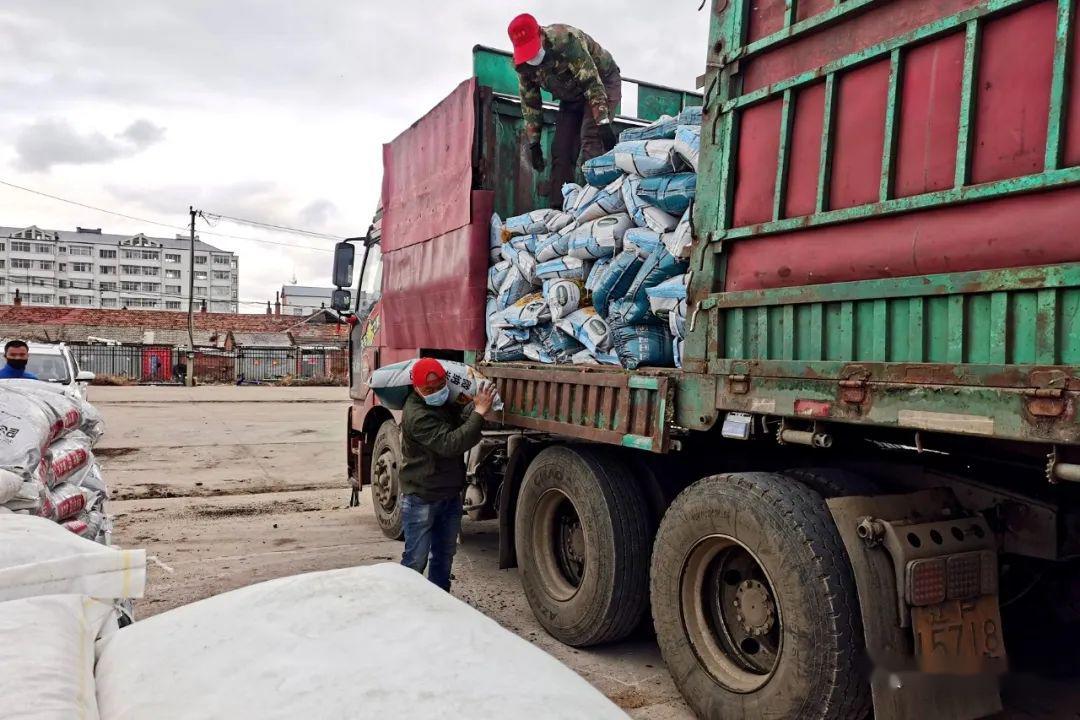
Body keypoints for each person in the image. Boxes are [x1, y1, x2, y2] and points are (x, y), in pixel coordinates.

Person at [399, 358, 496, 591]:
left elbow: (458, 422)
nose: (436, 392)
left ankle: (440, 605)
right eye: (428, 389)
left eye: (440, 385)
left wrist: (472, 407)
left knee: (444, 556)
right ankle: (406, 606)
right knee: (415, 560)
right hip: (422, 496)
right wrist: (480, 412)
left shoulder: (444, 400)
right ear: (416, 388)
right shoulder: (417, 415)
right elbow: (450, 443)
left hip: (449, 494)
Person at [509, 14, 621, 209]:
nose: (532, 58)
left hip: (601, 82)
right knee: (561, 149)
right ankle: (558, 209)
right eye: (526, 53)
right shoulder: (523, 65)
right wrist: (534, 142)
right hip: (570, 94)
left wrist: (602, 121)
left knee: (591, 140)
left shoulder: (566, 41)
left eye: (533, 50)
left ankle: (597, 205)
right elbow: (530, 102)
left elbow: (592, 83)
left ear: (541, 34)